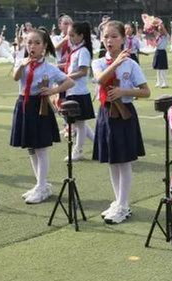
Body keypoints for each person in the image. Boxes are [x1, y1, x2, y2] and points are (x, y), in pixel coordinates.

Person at [92, 20, 150, 224]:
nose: (110, 40)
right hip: (107, 112)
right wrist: (115, 63)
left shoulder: (131, 64)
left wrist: (124, 91)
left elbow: (145, 91)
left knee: (124, 161)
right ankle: (118, 201)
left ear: (123, 39)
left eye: (114, 36)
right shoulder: (98, 62)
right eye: (106, 36)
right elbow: (100, 80)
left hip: (125, 113)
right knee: (112, 160)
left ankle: (124, 205)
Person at [11, 29, 74, 205]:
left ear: (44, 46)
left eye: (37, 43)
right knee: (31, 147)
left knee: (41, 148)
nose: (32, 46)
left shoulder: (49, 68)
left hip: (40, 107)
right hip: (24, 104)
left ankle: (42, 186)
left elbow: (69, 81)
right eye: (29, 42)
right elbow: (16, 78)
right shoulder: (21, 61)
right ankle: (41, 184)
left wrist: (53, 91)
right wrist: (22, 65)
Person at [61, 21, 96, 160]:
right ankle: (99, 143)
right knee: (78, 123)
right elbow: (70, 67)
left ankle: (78, 150)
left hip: (79, 92)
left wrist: (64, 76)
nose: (69, 38)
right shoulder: (75, 50)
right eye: (68, 35)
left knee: (79, 124)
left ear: (81, 36)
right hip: (71, 90)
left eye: (72, 35)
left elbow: (82, 71)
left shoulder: (83, 51)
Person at [152, 20, 170, 88]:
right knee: (158, 69)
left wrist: (160, 23)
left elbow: (164, 31)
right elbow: (152, 30)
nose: (160, 30)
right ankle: (159, 82)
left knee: (163, 69)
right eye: (159, 29)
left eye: (161, 29)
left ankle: (165, 82)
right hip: (157, 52)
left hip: (162, 52)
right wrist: (151, 23)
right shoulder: (158, 36)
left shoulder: (166, 36)